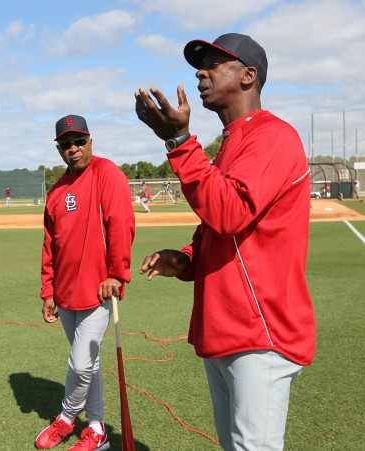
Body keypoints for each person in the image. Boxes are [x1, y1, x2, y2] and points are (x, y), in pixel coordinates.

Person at [134, 33, 316, 450]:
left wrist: (179, 142)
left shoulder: (272, 136)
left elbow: (230, 213)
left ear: (248, 76)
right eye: (201, 65)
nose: (201, 72)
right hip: (227, 327)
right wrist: (185, 259)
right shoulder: (233, 142)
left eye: (215, 63)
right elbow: (218, 230)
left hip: (260, 331)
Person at [35, 115, 135, 451]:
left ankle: (66, 418)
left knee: (80, 363)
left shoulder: (108, 174)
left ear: (90, 140)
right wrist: (48, 290)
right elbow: (51, 244)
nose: (73, 149)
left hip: (97, 292)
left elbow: (121, 224)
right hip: (64, 294)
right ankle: (97, 429)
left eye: (79, 142)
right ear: (59, 149)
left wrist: (117, 274)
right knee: (88, 365)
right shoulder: (57, 190)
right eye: (66, 144)